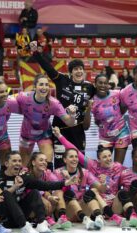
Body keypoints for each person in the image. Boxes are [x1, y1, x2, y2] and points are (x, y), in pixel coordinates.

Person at [53, 127, 137, 227]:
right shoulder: (91, 165)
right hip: (98, 205)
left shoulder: (117, 166)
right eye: (104, 157)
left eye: (109, 156)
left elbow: (132, 170)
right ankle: (100, 217)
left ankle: (133, 217)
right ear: (98, 159)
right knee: (93, 191)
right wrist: (59, 136)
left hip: (114, 205)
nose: (108, 159)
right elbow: (74, 150)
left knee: (122, 192)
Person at [30, 41, 96, 169]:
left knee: (79, 162)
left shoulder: (89, 87)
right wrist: (36, 53)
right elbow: (48, 68)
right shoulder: (62, 80)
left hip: (78, 129)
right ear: (71, 72)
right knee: (60, 162)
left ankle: (78, 187)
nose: (79, 72)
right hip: (60, 129)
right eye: (76, 69)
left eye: (81, 69)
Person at [0, 151, 78, 233]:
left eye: (20, 161)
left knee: (34, 191)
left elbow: (44, 185)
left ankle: (41, 223)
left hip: (22, 214)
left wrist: (65, 183)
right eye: (14, 161)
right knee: (5, 194)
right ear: (6, 164)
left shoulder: (24, 176)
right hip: (5, 217)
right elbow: (0, 196)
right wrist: (15, 186)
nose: (18, 163)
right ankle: (24, 226)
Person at [16, 74, 77, 166]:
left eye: (46, 84)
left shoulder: (54, 103)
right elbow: (6, 100)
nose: (44, 87)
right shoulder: (23, 97)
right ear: (35, 87)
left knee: (47, 163)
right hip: (27, 135)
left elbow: (69, 122)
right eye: (41, 84)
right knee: (23, 167)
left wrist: (72, 115)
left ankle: (47, 179)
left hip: (44, 135)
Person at [53, 148, 107, 230]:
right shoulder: (57, 173)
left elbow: (101, 189)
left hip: (81, 208)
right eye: (71, 157)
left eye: (76, 157)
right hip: (67, 210)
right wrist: (67, 179)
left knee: (93, 191)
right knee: (64, 194)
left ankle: (99, 217)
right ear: (65, 160)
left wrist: (104, 183)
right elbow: (55, 194)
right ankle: (83, 219)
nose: (74, 159)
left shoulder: (84, 172)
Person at [27, 152, 72, 230]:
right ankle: (43, 219)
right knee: (37, 195)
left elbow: (61, 187)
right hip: (27, 205)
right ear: (33, 162)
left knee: (58, 192)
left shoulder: (47, 173)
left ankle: (62, 217)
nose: (44, 162)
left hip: (43, 204)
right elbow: (27, 191)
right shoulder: (26, 173)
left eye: (45, 161)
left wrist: (67, 179)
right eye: (41, 160)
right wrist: (43, 197)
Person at [91, 74, 130, 163]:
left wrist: (119, 115)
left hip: (121, 133)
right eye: (100, 83)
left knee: (117, 166)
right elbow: (95, 121)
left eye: (105, 83)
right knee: (104, 165)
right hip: (105, 137)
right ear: (95, 84)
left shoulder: (116, 94)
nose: (103, 85)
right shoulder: (92, 100)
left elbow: (126, 102)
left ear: (108, 84)